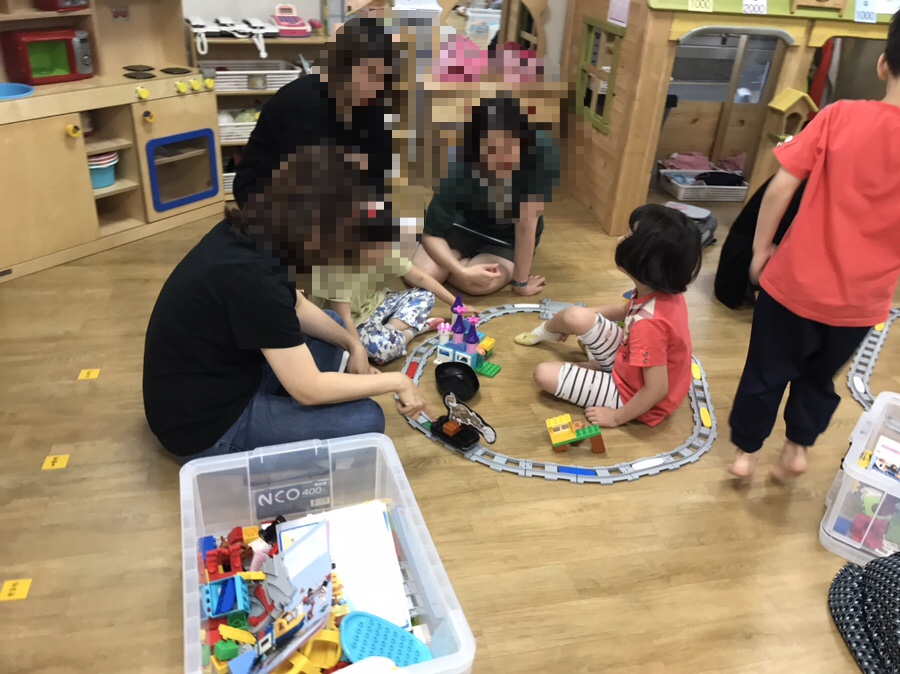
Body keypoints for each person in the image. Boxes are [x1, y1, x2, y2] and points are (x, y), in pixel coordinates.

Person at [142, 144, 429, 463]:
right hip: (204, 429)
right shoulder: (255, 279)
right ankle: (274, 419)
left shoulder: (256, 230)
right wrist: (397, 381)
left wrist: (354, 344)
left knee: (334, 327)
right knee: (366, 420)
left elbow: (297, 305)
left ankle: (284, 407)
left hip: (220, 377)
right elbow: (309, 389)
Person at [728, 12, 900, 481]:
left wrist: (760, 251)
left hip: (793, 286)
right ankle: (797, 449)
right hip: (861, 303)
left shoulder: (839, 115)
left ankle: (745, 455)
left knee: (766, 372)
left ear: (883, 64)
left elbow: (781, 187)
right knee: (819, 378)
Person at [514, 204, 701, 428]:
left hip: (634, 396)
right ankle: (551, 336)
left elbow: (656, 390)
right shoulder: (659, 291)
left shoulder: (648, 326)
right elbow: (625, 311)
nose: (621, 239)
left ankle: (600, 369)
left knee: (543, 373)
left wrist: (615, 417)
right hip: (628, 362)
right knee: (574, 316)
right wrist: (576, 320)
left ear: (644, 259)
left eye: (629, 236)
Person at [231, 18, 395, 208]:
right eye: (367, 73)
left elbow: (384, 177)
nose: (375, 86)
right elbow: (249, 182)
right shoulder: (296, 102)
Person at [411, 97, 560, 297]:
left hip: (504, 237)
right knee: (424, 276)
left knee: (478, 285)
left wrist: (521, 283)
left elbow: (526, 228)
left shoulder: (539, 161)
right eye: (492, 150)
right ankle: (458, 263)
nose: (504, 158)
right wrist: (461, 271)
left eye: (512, 147)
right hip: (462, 224)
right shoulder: (456, 165)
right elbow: (431, 233)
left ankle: (455, 264)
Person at [310, 249, 476, 366]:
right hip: (353, 322)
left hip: (379, 303)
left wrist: (456, 303)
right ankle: (414, 331)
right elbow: (344, 319)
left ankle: (389, 332)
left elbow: (420, 278)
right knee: (381, 350)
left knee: (425, 295)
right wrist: (360, 358)